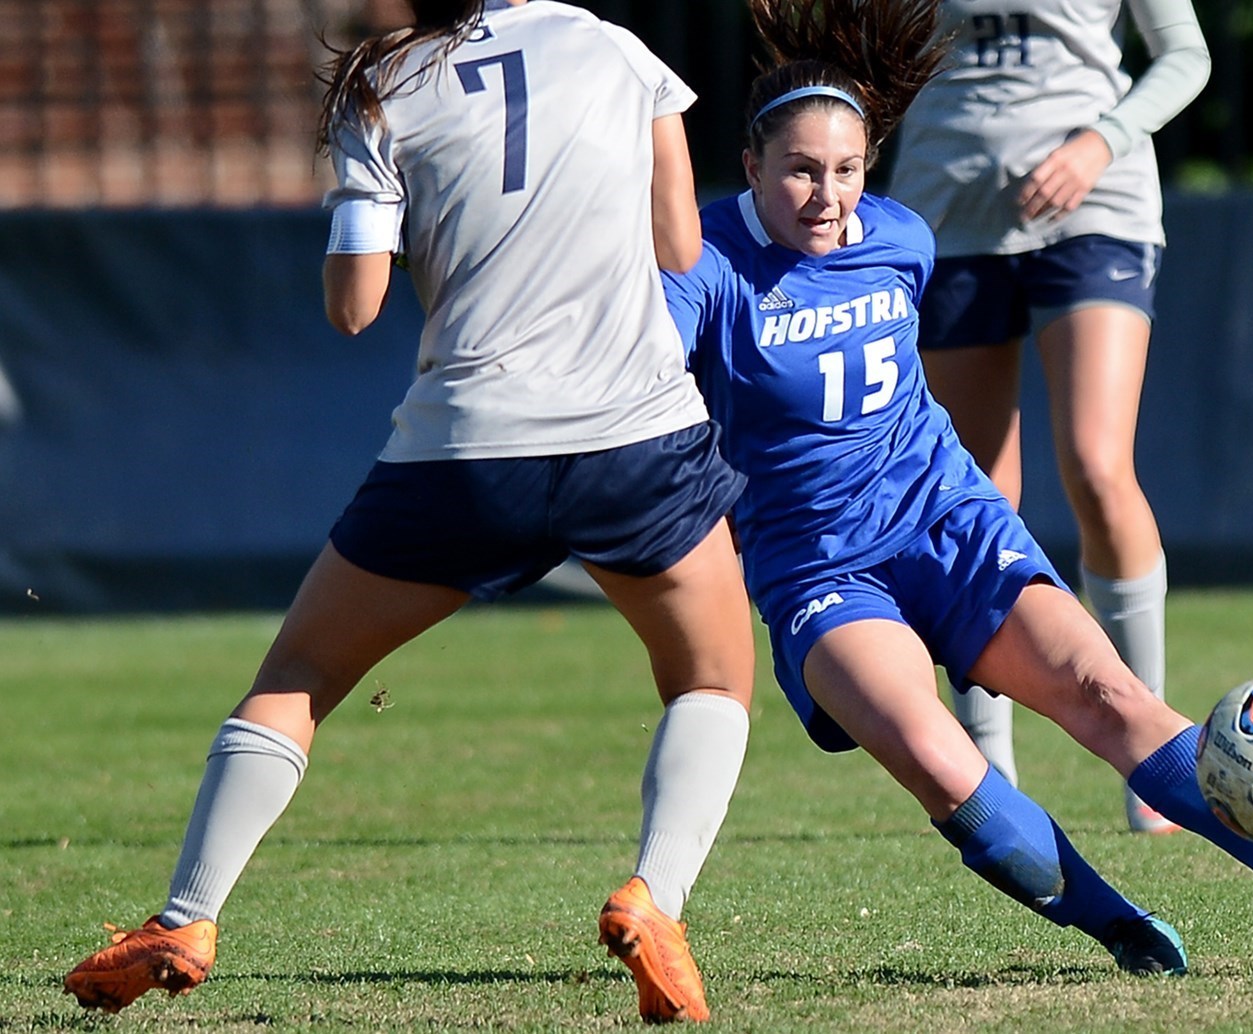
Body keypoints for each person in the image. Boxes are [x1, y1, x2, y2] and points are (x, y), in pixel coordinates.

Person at [664, 0, 1253, 977]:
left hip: (947, 521)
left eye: (846, 170)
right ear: (752, 160)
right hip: (821, 568)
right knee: (942, 761)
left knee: (1107, 691)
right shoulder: (707, 261)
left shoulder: (900, 238)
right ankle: (1119, 924)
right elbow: (649, 365)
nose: (826, 195)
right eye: (802, 169)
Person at [62, 1, 753, 1024]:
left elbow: (354, 306)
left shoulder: (381, 87)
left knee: (298, 674)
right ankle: (654, 897)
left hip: (467, 447)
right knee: (711, 673)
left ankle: (187, 914)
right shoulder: (615, 47)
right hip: (633, 433)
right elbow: (683, 246)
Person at [883, 0, 1212, 833]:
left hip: (1095, 208)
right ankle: (986, 763)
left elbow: (1185, 56)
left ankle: (1154, 758)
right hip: (945, 213)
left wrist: (1098, 139)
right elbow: (867, 57)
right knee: (969, 500)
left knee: (1098, 469)